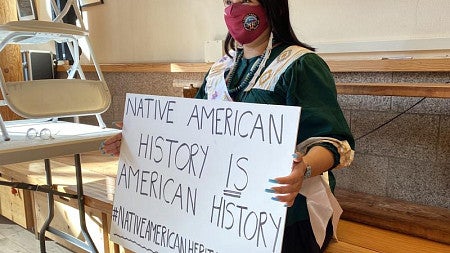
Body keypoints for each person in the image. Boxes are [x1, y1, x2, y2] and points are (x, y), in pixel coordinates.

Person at [101, 0, 355, 252]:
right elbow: (189, 132)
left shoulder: (299, 64)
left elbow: (334, 142)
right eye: (229, 1)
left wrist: (305, 168)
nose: (234, 8)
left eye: (245, 0)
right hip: (220, 211)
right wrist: (139, 141)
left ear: (272, 6)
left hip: (283, 213)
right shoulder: (219, 70)